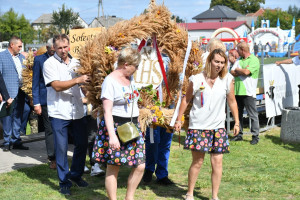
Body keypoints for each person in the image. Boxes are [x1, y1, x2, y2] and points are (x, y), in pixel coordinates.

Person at [174, 49, 240, 200]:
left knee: (217, 162)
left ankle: (214, 196)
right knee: (197, 162)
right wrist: (179, 119)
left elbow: (232, 101)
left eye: (222, 63)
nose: (219, 65)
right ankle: (189, 193)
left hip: (218, 128)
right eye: (216, 61)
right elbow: (186, 99)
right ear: (209, 60)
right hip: (198, 127)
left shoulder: (227, 79)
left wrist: (236, 122)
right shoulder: (196, 79)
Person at [92, 47, 145, 200]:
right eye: (136, 66)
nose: (137, 69)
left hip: (132, 126)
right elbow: (107, 111)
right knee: (114, 166)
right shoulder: (110, 81)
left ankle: (129, 197)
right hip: (115, 126)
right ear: (126, 64)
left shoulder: (130, 78)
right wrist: (112, 136)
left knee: (140, 164)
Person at [43, 34, 90, 195]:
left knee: (82, 144)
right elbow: (56, 86)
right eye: (59, 48)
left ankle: (76, 175)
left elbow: (83, 86)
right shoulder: (49, 64)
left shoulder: (77, 63)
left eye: (65, 47)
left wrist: (89, 90)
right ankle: (64, 182)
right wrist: (77, 80)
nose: (63, 51)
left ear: (69, 46)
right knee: (61, 149)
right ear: (54, 48)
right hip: (59, 111)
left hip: (77, 110)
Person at [0, 36, 29, 151]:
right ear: (12, 45)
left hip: (21, 92)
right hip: (7, 92)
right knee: (7, 117)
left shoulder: (22, 58)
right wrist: (2, 94)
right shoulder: (1, 57)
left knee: (18, 116)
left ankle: (16, 140)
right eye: (19, 46)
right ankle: (7, 141)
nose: (21, 49)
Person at [32, 38, 56, 169]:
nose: (54, 53)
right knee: (49, 129)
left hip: (59, 98)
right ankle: (52, 157)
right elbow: (35, 82)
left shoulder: (62, 58)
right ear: (47, 48)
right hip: (45, 99)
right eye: (51, 51)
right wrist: (36, 103)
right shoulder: (39, 60)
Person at [230, 41, 260, 145]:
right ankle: (239, 135)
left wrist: (239, 70)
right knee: (238, 115)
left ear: (242, 50)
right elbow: (232, 72)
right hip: (237, 91)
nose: (237, 52)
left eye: (238, 50)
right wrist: (241, 71)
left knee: (252, 115)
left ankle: (255, 136)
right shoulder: (239, 59)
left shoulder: (254, 60)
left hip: (248, 92)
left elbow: (247, 72)